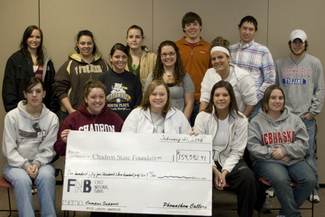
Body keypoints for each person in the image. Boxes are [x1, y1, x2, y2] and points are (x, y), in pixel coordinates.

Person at [247, 85, 316, 217]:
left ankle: (286, 213)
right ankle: (293, 214)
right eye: (273, 98)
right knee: (281, 179)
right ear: (266, 100)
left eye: (280, 98)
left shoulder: (294, 119)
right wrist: (275, 154)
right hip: (266, 161)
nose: (277, 101)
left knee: (309, 180)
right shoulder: (256, 122)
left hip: (292, 159)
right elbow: (253, 148)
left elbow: (303, 143)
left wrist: (285, 150)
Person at [195, 80, 258, 217]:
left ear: (231, 98)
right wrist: (214, 170)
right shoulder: (202, 117)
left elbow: (237, 151)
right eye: (217, 95)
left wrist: (223, 172)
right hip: (206, 160)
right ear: (212, 98)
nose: (221, 98)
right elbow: (201, 149)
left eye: (225, 95)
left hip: (230, 159)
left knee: (248, 179)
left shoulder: (241, 119)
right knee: (196, 178)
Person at [275, 29, 324, 203]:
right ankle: (277, 185)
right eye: (294, 42)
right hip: (284, 118)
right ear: (290, 44)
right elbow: (275, 90)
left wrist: (312, 113)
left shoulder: (315, 63)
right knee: (280, 150)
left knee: (308, 152)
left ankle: (313, 189)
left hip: (305, 119)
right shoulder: (280, 63)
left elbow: (320, 90)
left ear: (305, 43)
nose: (297, 45)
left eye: (300, 42)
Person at [2, 77, 59, 217]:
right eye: (30, 91)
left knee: (46, 176)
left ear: (44, 94)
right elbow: (8, 149)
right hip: (16, 165)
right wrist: (26, 164)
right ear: (24, 94)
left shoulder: (52, 118)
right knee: (22, 179)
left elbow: (49, 149)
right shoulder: (12, 117)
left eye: (38, 91)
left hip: (43, 164)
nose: (34, 95)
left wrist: (37, 163)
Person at [54, 79, 123, 157]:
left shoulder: (115, 119)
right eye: (93, 97)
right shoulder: (73, 119)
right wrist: (65, 142)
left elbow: (124, 145)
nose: (97, 100)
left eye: (101, 97)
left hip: (107, 165)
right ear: (86, 98)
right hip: (81, 166)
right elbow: (59, 150)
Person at [53, 30, 109, 120]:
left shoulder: (103, 64)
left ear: (93, 44)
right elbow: (59, 88)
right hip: (74, 113)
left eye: (89, 43)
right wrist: (70, 109)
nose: (86, 46)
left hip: (98, 113)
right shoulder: (70, 64)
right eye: (82, 43)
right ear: (77, 44)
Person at [2, 25, 59, 113]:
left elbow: (53, 89)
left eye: (37, 37)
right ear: (25, 39)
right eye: (31, 36)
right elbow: (9, 88)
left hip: (42, 112)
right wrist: (13, 112)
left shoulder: (47, 61)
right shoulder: (15, 60)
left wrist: (51, 111)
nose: (34, 40)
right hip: (20, 112)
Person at [229, 15, 275, 121]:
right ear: (239, 28)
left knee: (252, 135)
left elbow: (270, 79)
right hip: (233, 103)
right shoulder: (231, 50)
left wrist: (255, 98)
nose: (247, 32)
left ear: (255, 31)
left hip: (255, 104)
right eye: (244, 28)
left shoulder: (263, 51)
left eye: (251, 29)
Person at [199, 36, 257, 117]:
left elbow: (251, 103)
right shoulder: (209, 74)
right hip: (214, 122)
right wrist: (200, 121)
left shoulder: (242, 77)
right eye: (213, 59)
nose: (217, 61)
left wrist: (240, 122)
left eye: (220, 57)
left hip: (236, 120)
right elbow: (205, 101)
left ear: (229, 58)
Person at [175, 12, 211, 125]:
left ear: (200, 26)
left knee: (199, 136)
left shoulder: (209, 48)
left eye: (195, 24)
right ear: (184, 28)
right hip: (180, 100)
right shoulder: (175, 47)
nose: (192, 27)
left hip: (202, 101)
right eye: (188, 24)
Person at [144, 40, 194, 121]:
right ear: (160, 57)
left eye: (171, 53)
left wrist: (183, 123)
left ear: (176, 55)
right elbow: (145, 101)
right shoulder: (152, 76)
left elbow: (189, 104)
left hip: (177, 121)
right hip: (156, 121)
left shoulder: (185, 77)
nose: (168, 57)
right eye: (164, 54)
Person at [122, 79, 191, 134]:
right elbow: (127, 138)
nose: (158, 97)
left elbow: (186, 139)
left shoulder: (179, 115)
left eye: (162, 94)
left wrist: (190, 139)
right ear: (148, 96)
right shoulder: (136, 114)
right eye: (154, 94)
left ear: (168, 96)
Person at [98, 43, 142, 120]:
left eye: (124, 57)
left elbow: (138, 106)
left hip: (129, 123)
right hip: (106, 122)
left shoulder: (134, 79)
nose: (121, 60)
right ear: (110, 58)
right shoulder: (102, 78)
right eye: (117, 57)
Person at [125, 25, 157, 90]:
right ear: (127, 39)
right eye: (131, 37)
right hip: (126, 97)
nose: (134, 40)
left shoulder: (153, 58)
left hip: (147, 97)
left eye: (137, 37)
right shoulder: (120, 58)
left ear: (142, 39)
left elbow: (157, 81)